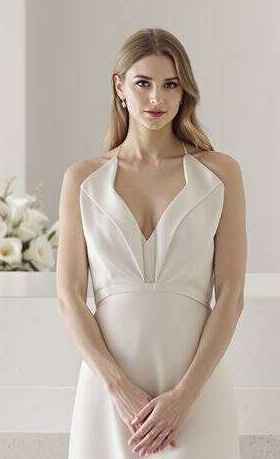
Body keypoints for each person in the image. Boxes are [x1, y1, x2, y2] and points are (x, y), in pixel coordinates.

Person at [57, 28, 247, 457]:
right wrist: (118, 389)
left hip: (196, 393)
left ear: (185, 93)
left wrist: (185, 397)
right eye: (143, 83)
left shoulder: (220, 174)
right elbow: (69, 298)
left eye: (170, 84)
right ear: (119, 87)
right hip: (109, 394)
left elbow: (231, 295)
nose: (156, 98)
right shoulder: (83, 179)